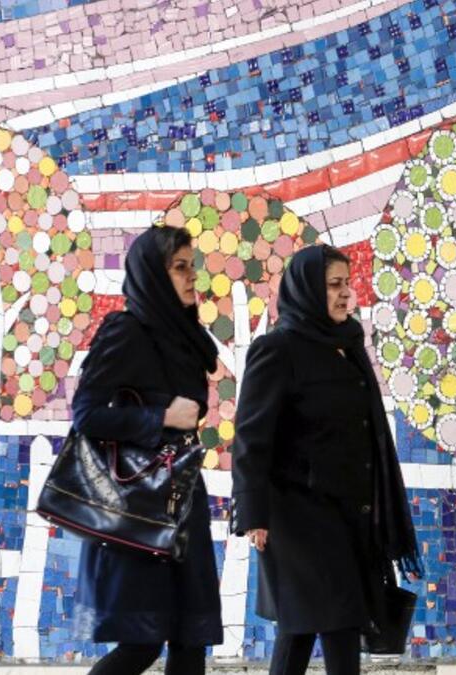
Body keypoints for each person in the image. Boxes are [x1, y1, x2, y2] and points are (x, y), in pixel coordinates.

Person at [231, 244, 424, 675]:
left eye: (346, 283)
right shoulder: (277, 349)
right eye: (333, 285)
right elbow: (251, 437)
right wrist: (252, 512)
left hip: (348, 510)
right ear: (306, 290)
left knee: (301, 628)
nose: (344, 294)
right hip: (298, 514)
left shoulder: (347, 343)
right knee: (337, 623)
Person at [71, 226, 223, 675]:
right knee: (143, 643)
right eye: (180, 268)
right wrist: (159, 418)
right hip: (140, 507)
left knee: (190, 640)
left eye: (191, 266)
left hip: (182, 499)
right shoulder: (128, 330)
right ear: (153, 275)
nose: (192, 277)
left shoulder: (186, 336)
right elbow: (87, 414)